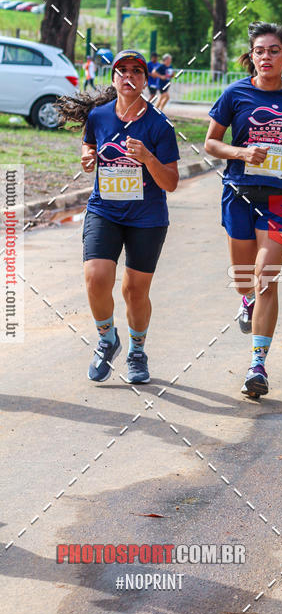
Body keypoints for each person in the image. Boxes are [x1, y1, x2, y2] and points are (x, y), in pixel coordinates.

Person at [204, 22, 282, 399]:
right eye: (259, 51)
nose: (265, 56)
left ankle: (257, 365)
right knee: (243, 280)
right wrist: (241, 152)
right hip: (239, 193)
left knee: (265, 277)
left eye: (273, 50)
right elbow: (211, 143)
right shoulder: (235, 93)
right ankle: (245, 301)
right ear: (251, 57)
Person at [56, 50, 180, 384]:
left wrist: (148, 157)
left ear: (145, 80)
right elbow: (88, 144)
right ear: (113, 78)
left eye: (136, 71)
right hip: (104, 210)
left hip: (147, 218)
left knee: (134, 291)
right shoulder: (98, 116)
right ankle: (107, 339)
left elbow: (170, 182)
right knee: (96, 277)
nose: (129, 76)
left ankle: (137, 351)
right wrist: (87, 156)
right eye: (121, 70)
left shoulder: (158, 125)